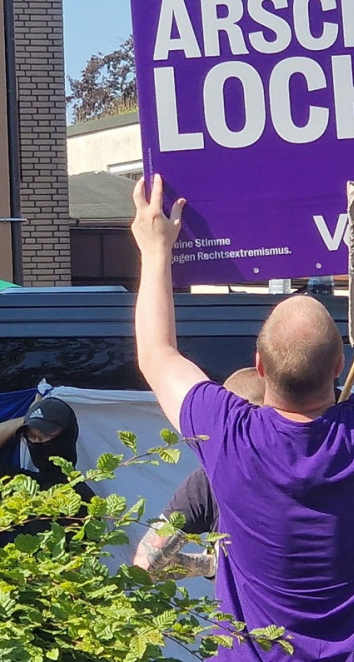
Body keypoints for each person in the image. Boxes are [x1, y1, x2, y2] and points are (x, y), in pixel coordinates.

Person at [131, 174, 354, 660]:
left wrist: (154, 252)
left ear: (258, 366)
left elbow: (156, 353)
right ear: (339, 368)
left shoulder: (228, 435)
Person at [133, 367, 264, 579]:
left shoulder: (210, 478)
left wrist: (211, 564)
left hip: (239, 612)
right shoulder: (321, 466)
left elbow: (145, 566)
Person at [0, 395, 95, 502]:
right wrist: (27, 420)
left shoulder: (81, 499)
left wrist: (27, 420)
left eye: (44, 435)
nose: (36, 443)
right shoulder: (24, 486)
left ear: (66, 437)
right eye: (30, 436)